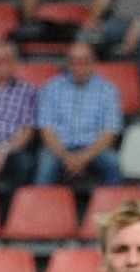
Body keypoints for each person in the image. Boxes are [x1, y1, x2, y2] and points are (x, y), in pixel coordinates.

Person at [34, 41, 123, 187]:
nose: (79, 67)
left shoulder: (108, 90)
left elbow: (110, 132)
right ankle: (39, 209)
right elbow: (46, 130)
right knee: (45, 166)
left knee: (113, 164)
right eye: (74, 62)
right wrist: (65, 156)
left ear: (93, 62)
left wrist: (83, 158)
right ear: (68, 63)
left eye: (84, 61)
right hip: (59, 149)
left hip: (93, 149)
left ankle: (113, 209)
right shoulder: (51, 88)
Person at [0, 37, 37, 190]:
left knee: (25, 164)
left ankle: (10, 212)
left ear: (14, 63)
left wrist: (3, 150)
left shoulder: (27, 91)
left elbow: (27, 131)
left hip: (12, 146)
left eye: (4, 60)